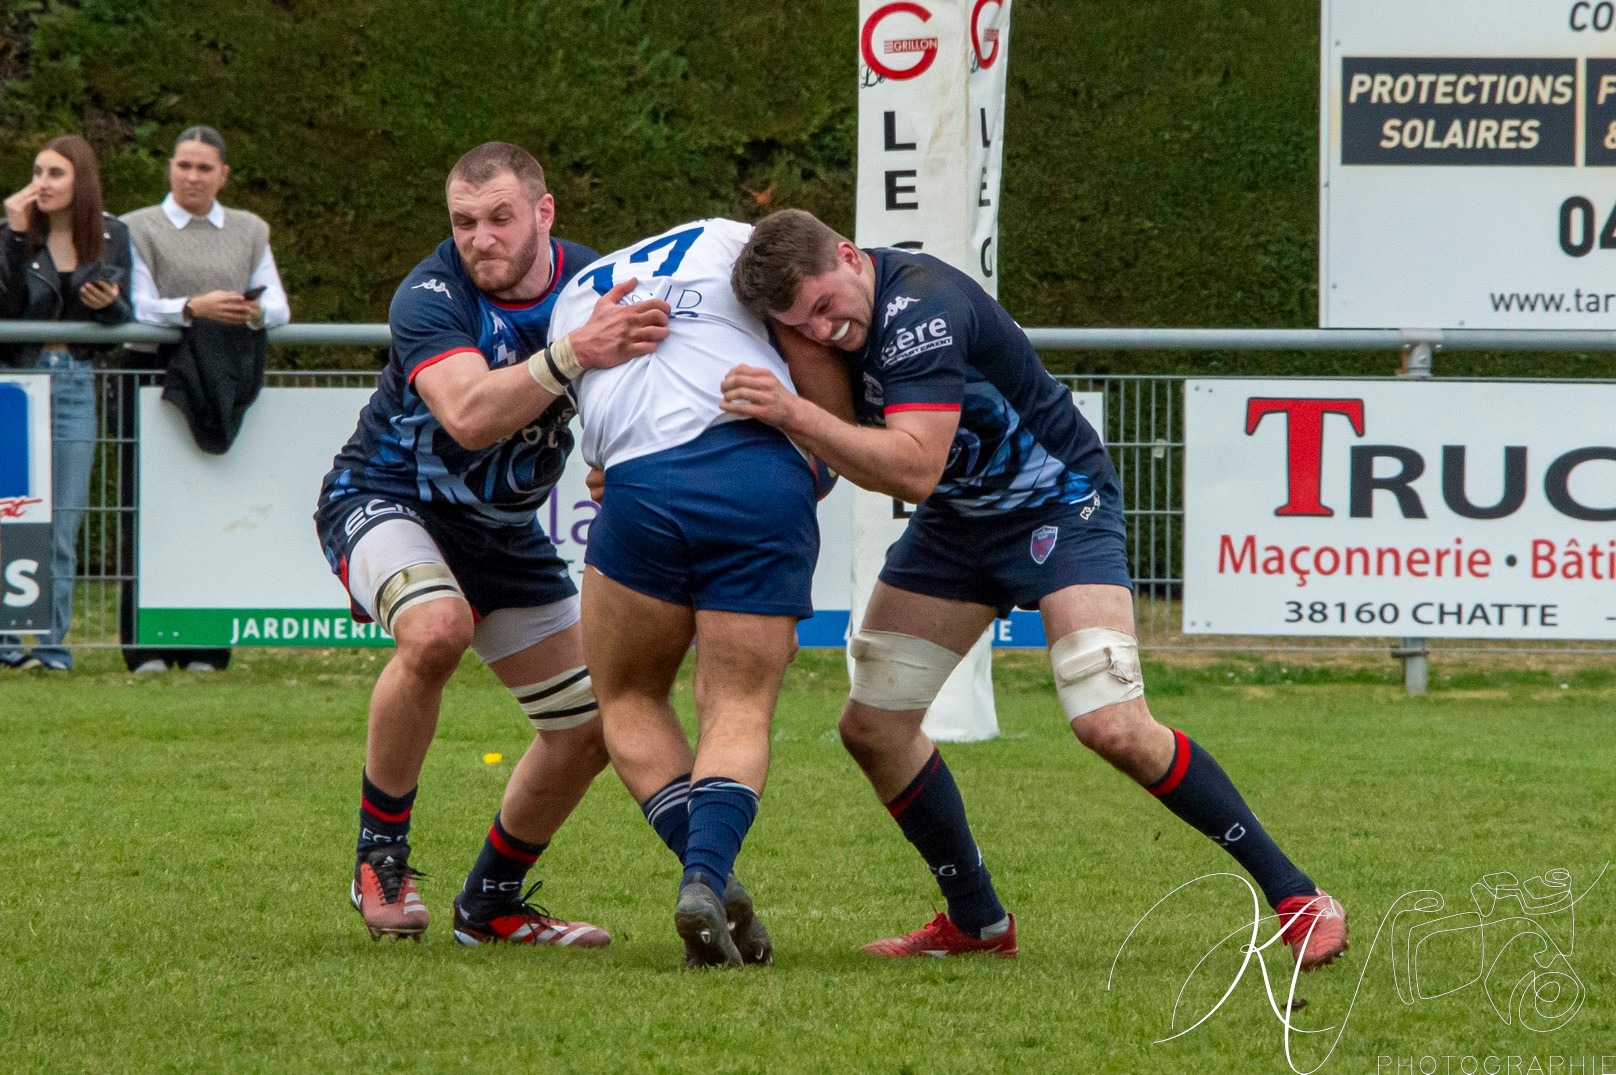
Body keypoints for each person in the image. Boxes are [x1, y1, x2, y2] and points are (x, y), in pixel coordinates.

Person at [724, 208, 1349, 970]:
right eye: (801, 325)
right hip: (959, 526)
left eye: (826, 308)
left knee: (1112, 724)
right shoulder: (819, 326)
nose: (824, 331)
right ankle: (978, 922)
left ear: (850, 257)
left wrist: (791, 411)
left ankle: (1297, 895)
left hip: (1062, 504)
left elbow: (912, 468)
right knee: (873, 726)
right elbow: (841, 451)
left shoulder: (920, 308)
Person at [314, 142, 671, 945]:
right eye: (464, 221)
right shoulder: (430, 294)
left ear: (544, 213)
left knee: (590, 726)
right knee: (437, 626)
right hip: (383, 499)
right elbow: (470, 413)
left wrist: (620, 460)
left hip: (501, 534)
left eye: (500, 218)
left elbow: (643, 386)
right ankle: (380, 859)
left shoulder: (595, 282)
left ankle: (491, 904)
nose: (481, 238)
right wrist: (575, 352)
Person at [547, 218, 822, 968]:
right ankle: (705, 873)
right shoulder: (733, 238)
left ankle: (710, 876)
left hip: (639, 486)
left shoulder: (572, 293)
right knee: (736, 702)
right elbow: (811, 319)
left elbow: (594, 435)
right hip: (756, 466)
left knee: (628, 698)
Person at [119, 125, 291, 673]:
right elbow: (135, 304)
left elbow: (279, 307)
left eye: (203, 167)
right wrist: (193, 306)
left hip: (223, 372)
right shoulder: (134, 227)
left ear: (223, 174)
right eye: (183, 165)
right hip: (151, 371)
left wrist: (248, 311)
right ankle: (143, 646)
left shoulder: (250, 229)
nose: (191, 176)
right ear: (170, 168)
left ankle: (207, 647)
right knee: (143, 504)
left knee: (212, 501)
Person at [0, 135, 133, 672]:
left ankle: (51, 647)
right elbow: (5, 312)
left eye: (55, 174)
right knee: (11, 519)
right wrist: (12, 234)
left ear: (81, 181)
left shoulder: (112, 234)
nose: (42, 184)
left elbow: (118, 325)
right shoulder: (13, 234)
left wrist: (111, 308)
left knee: (62, 524)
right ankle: (7, 644)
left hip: (75, 382)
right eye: (37, 172)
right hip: (15, 383)